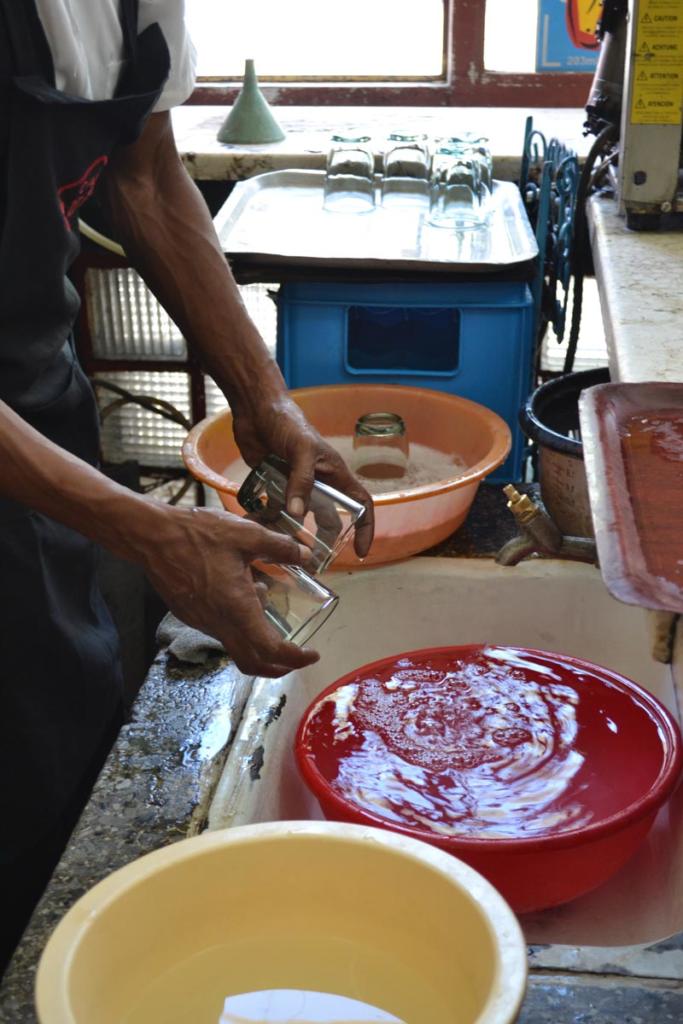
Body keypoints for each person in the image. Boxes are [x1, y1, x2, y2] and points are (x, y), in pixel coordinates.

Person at [0, 0, 373, 973]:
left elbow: (149, 177)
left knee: (67, 752)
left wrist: (265, 398)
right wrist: (151, 535)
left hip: (40, 421)